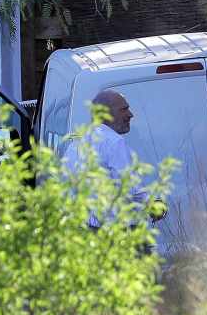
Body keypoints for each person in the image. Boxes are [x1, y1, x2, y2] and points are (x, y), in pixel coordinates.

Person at [60, 90, 161, 228]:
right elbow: (130, 187)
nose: (130, 114)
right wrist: (155, 204)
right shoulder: (114, 142)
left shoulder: (76, 144)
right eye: (124, 109)